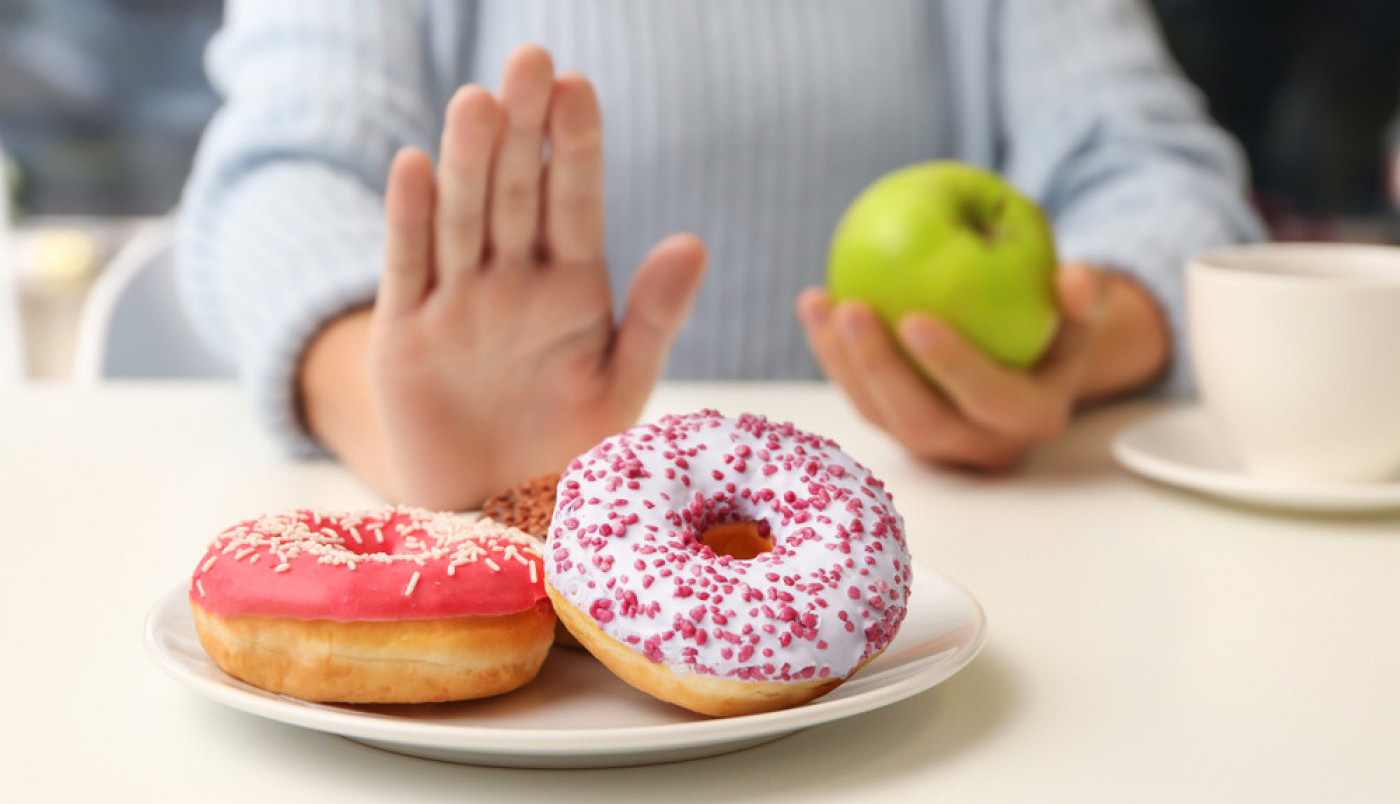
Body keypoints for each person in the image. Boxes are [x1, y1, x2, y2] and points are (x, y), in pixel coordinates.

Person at [177, 0, 1264, 510]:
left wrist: (1073, 347)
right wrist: (399, 418)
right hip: (509, 561)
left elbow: (1158, 175)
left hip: (952, 549)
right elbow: (276, 180)